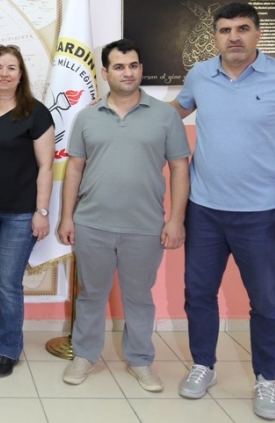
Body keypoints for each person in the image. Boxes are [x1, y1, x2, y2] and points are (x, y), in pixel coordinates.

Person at [173, 2, 275, 420]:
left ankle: (266, 380)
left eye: (242, 28)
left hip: (262, 214)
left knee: (266, 302)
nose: (233, 36)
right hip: (204, 211)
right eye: (224, 30)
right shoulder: (200, 75)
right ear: (214, 36)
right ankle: (204, 366)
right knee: (198, 295)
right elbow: (170, 117)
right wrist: (120, 114)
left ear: (258, 35)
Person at [57, 39, 190, 391]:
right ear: (105, 73)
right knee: (91, 295)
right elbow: (74, 170)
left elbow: (179, 168)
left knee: (139, 297)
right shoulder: (87, 117)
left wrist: (175, 220)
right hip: (92, 224)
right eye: (118, 66)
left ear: (141, 69)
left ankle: (141, 360)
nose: (127, 72)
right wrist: (67, 217)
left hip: (145, 227)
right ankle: (85, 355)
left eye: (133, 65)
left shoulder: (165, 116)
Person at [0, 44, 55, 378]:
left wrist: (42, 212)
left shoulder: (35, 112)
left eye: (12, 68)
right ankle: (6, 337)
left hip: (21, 213)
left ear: (21, 75)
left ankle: (7, 349)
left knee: (8, 282)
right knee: (2, 280)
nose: (4, 74)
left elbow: (46, 166)